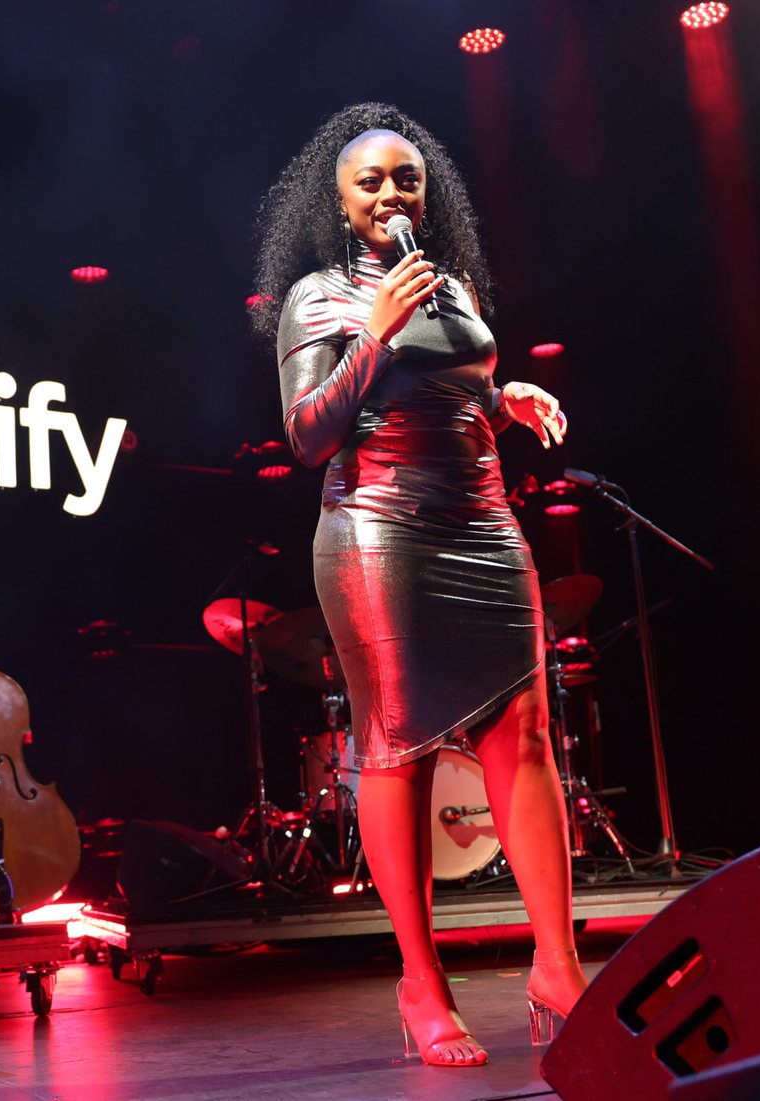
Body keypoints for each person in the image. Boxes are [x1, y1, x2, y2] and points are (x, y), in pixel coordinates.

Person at [252, 103, 588, 1066]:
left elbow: (458, 382)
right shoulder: (316, 298)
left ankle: (557, 963)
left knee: (522, 732)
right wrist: (378, 333)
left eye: (408, 179)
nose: (393, 194)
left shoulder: (456, 287)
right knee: (393, 743)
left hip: (483, 520)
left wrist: (503, 395)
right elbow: (310, 434)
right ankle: (420, 978)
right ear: (340, 201)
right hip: (378, 531)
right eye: (372, 182)